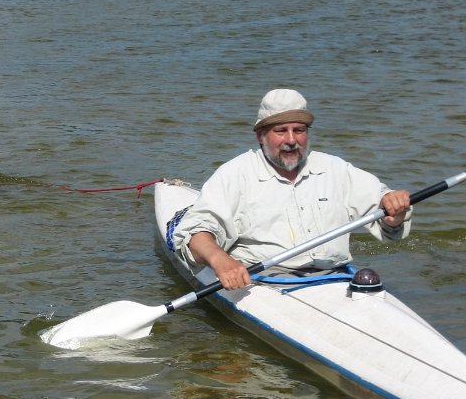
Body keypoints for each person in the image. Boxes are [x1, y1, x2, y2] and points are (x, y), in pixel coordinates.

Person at [171, 89, 412, 290]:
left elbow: (386, 216)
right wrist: (220, 260)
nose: (291, 140)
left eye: (299, 130)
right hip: (262, 284)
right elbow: (196, 234)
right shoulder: (235, 174)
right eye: (280, 131)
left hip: (337, 280)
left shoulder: (335, 168)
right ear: (260, 136)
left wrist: (395, 209)